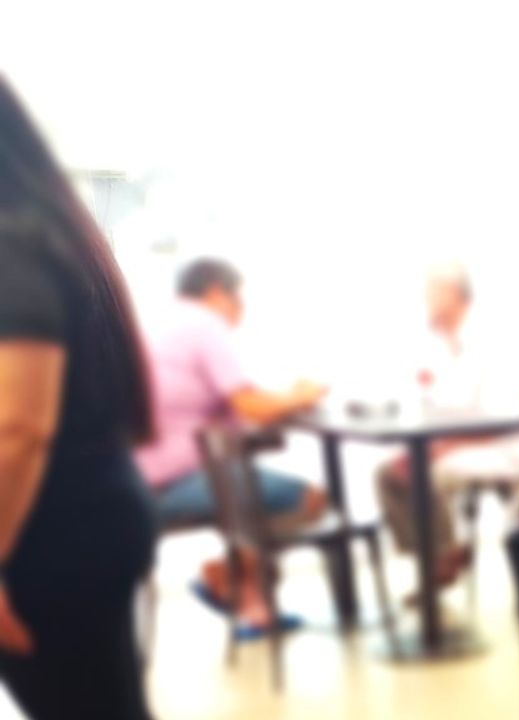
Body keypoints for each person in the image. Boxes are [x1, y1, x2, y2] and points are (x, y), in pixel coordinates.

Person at [0, 77, 157, 719]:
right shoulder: (45, 233)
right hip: (80, 517)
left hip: (50, 535)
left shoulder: (12, 246)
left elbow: (18, 427)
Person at [135, 258, 328, 633]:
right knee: (309, 500)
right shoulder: (203, 325)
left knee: (246, 503)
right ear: (215, 292)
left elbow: (227, 403)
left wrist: (283, 400)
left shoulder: (162, 323)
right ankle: (224, 575)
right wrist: (303, 395)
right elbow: (249, 405)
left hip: (142, 482)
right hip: (175, 482)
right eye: (238, 297)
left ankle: (251, 605)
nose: (242, 307)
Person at [375, 262, 519, 589]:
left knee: (421, 472)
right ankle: (436, 558)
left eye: (433, 292)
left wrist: (438, 449)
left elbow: (499, 421)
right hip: (459, 443)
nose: (426, 299)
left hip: (503, 447)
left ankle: (443, 555)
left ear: (455, 294)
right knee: (387, 474)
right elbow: (437, 407)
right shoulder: (443, 346)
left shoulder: (488, 339)